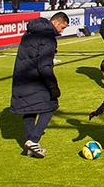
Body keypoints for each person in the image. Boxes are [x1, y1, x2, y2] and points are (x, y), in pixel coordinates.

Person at [10, 11, 69, 158]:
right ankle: (33, 140)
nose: (61, 32)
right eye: (62, 27)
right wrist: (53, 86)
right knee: (51, 105)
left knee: (29, 109)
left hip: (21, 77)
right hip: (35, 79)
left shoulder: (29, 32)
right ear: (55, 23)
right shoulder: (48, 38)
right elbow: (44, 66)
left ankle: (30, 146)